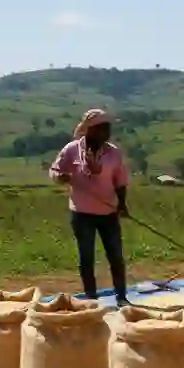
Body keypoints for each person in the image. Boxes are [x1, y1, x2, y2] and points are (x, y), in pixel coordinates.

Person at [49, 109, 131, 306]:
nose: (108, 132)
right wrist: (61, 177)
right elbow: (54, 170)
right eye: (103, 128)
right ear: (91, 130)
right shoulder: (71, 149)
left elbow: (120, 182)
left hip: (108, 212)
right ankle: (91, 299)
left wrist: (122, 204)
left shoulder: (114, 153)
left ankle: (121, 297)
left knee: (116, 256)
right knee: (86, 257)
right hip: (82, 213)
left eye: (108, 128)